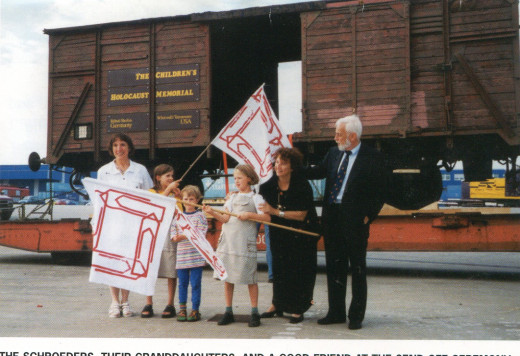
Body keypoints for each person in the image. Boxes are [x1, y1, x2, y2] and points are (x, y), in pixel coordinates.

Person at [305, 114, 387, 330]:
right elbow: (318, 172)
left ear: (352, 136)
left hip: (355, 220)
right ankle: (336, 313)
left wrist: (370, 214)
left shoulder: (373, 157)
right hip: (332, 218)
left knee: (357, 268)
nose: (334, 138)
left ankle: (356, 316)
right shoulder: (333, 154)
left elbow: (381, 189)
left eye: (338, 134)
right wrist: (293, 167)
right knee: (334, 266)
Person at [203, 164, 270, 327]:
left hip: (244, 244)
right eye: (235, 178)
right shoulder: (231, 198)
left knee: (250, 278)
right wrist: (212, 212)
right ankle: (228, 311)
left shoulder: (256, 198)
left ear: (249, 178)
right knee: (228, 278)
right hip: (228, 242)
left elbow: (267, 218)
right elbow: (225, 218)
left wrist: (250, 215)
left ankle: (254, 312)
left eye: (240, 178)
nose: (237, 181)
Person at [258, 147, 319, 324]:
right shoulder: (268, 186)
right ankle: (277, 304)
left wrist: (276, 212)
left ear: (292, 167)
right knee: (279, 268)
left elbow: (301, 215)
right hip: (279, 234)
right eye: (276, 162)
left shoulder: (302, 185)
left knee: (300, 271)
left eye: (283, 163)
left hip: (301, 234)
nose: (279, 166)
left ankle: (298, 308)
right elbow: (260, 205)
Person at [97, 133, 154, 318]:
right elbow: (99, 200)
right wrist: (96, 225)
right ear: (111, 148)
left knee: (129, 262)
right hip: (112, 224)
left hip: (134, 225)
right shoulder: (104, 171)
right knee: (113, 262)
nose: (119, 149)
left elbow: (149, 197)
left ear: (129, 148)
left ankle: (126, 301)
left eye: (122, 145)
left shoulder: (140, 170)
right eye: (115, 145)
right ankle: (114, 302)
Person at [140, 164, 181, 319]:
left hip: (170, 235)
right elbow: (155, 207)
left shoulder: (175, 194)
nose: (171, 179)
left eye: (172, 176)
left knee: (171, 270)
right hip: (154, 235)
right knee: (150, 270)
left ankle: (170, 304)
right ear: (158, 177)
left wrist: (179, 196)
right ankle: (148, 302)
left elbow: (182, 214)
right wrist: (168, 190)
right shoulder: (152, 192)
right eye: (167, 176)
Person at [171, 185, 208, 322]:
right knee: (182, 284)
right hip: (182, 257)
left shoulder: (201, 216)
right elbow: (173, 234)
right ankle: (182, 309)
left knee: (196, 283)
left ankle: (195, 310)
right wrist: (179, 236)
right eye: (185, 198)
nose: (188, 201)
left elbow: (199, 234)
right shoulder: (178, 218)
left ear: (197, 200)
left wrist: (182, 235)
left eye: (191, 199)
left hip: (196, 257)